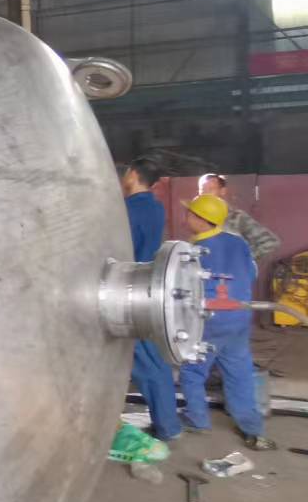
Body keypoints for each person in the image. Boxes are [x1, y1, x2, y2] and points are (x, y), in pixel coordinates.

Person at [176, 192, 275, 449]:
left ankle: (197, 419)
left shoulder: (192, 251)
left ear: (201, 219)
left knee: (192, 370)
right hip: (240, 317)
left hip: (209, 320)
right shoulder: (238, 242)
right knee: (239, 373)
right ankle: (252, 428)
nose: (185, 217)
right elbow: (250, 273)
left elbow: (181, 290)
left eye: (189, 213)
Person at [120, 157, 180, 441]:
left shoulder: (127, 210)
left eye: (125, 174)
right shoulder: (155, 207)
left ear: (132, 175)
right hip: (146, 286)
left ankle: (168, 427)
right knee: (152, 361)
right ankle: (168, 424)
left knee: (148, 363)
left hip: (127, 291)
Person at [198, 173, 282, 265]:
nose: (205, 194)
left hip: (231, 272)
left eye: (210, 189)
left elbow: (270, 242)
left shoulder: (236, 217)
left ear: (222, 191)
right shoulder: (196, 217)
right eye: (202, 190)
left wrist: (241, 258)